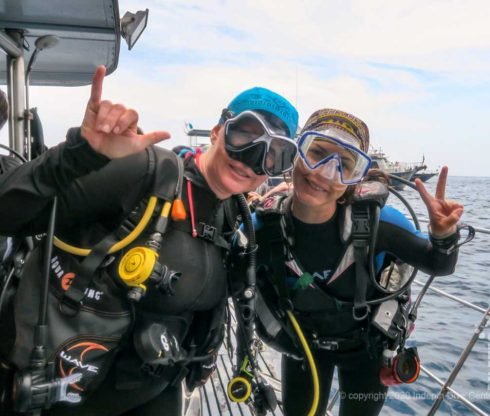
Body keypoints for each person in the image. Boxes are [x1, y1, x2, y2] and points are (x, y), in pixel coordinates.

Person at [0, 65, 298, 415]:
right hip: (61, 395)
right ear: (217, 131)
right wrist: (77, 156)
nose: (252, 160)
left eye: (275, 155)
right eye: (243, 137)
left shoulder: (232, 215)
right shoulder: (145, 173)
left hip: (155, 391)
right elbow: (8, 213)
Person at [251, 109, 464, 415]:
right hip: (302, 348)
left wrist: (444, 235)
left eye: (344, 166)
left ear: (355, 180)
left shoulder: (379, 224)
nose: (325, 172)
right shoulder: (263, 227)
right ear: (295, 154)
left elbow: (440, 264)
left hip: (366, 350)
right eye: (317, 153)